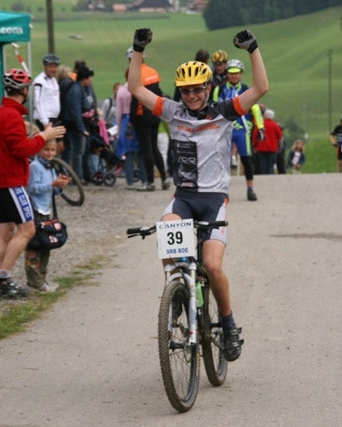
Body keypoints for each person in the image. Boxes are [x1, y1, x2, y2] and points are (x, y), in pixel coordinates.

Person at [128, 27, 269, 361]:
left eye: (197, 89)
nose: (191, 95)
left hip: (214, 200)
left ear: (207, 87)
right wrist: (138, 50)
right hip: (184, 197)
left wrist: (253, 48)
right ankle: (178, 293)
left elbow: (261, 88)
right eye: (185, 90)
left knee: (212, 265)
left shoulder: (224, 112)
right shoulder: (172, 111)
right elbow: (135, 87)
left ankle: (229, 323)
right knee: (168, 234)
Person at [0, 68, 65, 298]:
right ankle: (3, 278)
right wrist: (44, 137)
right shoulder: (12, 116)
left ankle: (0, 278)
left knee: (4, 232)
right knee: (27, 229)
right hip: (11, 181)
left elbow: (10, 145)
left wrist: (36, 137)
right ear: (23, 90)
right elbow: (21, 150)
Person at [213, 58, 265, 201]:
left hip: (242, 130)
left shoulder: (246, 89)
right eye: (231, 73)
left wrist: (260, 127)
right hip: (225, 131)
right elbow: (213, 108)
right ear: (227, 74)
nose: (234, 76)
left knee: (247, 160)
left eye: (236, 73)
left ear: (241, 74)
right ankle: (222, 191)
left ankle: (250, 189)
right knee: (222, 162)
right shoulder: (220, 89)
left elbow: (255, 108)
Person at [25, 139, 70, 293]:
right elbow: (32, 188)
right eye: (46, 149)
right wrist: (52, 184)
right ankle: (34, 282)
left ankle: (42, 278)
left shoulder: (50, 166)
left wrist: (60, 186)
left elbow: (53, 191)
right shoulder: (35, 167)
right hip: (36, 210)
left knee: (45, 245)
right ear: (39, 150)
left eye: (52, 150)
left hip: (46, 210)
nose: (50, 153)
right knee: (34, 247)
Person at [127, 47, 170, 192]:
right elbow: (159, 93)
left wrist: (131, 120)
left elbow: (135, 99)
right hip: (155, 113)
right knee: (155, 147)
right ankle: (164, 178)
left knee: (147, 149)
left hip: (142, 115)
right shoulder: (153, 72)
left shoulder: (134, 74)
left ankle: (150, 182)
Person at [63, 66, 94, 183]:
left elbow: (89, 102)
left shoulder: (85, 89)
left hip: (82, 124)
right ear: (84, 78)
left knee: (79, 151)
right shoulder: (76, 91)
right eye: (90, 77)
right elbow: (75, 111)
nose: (91, 80)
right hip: (74, 126)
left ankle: (80, 175)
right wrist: (82, 128)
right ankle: (77, 177)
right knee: (77, 151)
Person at [116, 69, 146, 190]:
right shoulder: (141, 89)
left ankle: (130, 182)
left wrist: (119, 130)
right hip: (139, 119)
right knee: (142, 152)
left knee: (128, 153)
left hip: (126, 121)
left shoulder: (121, 91)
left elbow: (118, 112)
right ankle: (144, 180)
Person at [33, 54, 61, 131]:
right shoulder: (39, 80)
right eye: (50, 67)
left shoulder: (54, 80)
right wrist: (45, 122)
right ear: (45, 67)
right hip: (44, 119)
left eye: (55, 67)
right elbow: (37, 102)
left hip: (54, 118)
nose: (53, 69)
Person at [252, 108, 283, 174]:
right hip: (272, 148)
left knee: (263, 164)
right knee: (271, 164)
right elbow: (280, 136)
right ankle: (270, 175)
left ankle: (264, 176)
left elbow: (255, 135)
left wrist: (254, 145)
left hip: (261, 148)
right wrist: (280, 147)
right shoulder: (275, 125)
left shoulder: (260, 125)